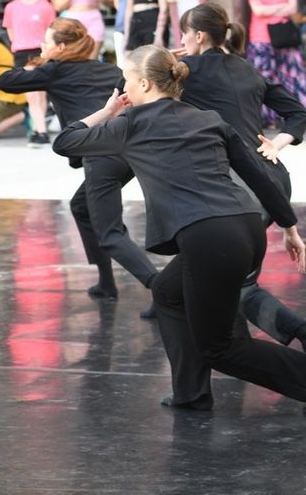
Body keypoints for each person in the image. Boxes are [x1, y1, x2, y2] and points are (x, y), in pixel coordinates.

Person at [53, 45, 306, 410]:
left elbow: (65, 142)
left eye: (126, 79)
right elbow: (259, 177)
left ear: (143, 83)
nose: (122, 88)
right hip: (246, 227)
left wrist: (107, 111)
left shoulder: (129, 124)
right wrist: (289, 228)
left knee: (221, 349)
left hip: (209, 238)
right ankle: (191, 393)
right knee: (168, 293)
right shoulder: (208, 118)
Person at [0, 18, 159, 301]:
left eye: (46, 41)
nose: (42, 45)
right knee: (82, 206)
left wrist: (39, 63)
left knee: (110, 233)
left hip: (101, 153)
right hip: (127, 151)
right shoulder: (108, 69)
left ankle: (162, 290)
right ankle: (106, 281)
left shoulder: (54, 70)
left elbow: (5, 81)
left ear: (60, 47)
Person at [178, 2, 306, 350]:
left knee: (240, 284)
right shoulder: (247, 68)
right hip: (272, 179)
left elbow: (131, 84)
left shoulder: (187, 70)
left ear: (198, 35)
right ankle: (238, 341)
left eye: (184, 33)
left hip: (239, 187)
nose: (182, 40)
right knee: (230, 273)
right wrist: (277, 144)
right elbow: (297, 112)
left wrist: (167, 62)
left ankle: (297, 332)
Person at [245, 0, 306, 125]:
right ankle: (267, 119)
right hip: (260, 37)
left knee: (292, 75)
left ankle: (297, 115)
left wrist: (269, 10)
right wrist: (281, 7)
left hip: (284, 36)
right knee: (263, 79)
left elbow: (293, 8)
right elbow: (257, 10)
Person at [1, 0, 57, 146]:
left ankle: (40, 130)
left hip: (40, 50)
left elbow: (51, 31)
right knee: (32, 94)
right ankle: (40, 130)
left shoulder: (45, 6)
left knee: (39, 93)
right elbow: (11, 32)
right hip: (21, 52)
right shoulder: (11, 7)